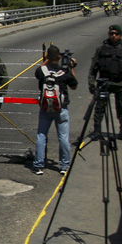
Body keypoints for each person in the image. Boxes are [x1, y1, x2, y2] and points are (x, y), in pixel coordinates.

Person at [88, 24, 122, 142]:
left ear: (120, 35)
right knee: (99, 109)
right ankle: (97, 131)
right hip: (104, 83)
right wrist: (91, 83)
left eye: (116, 34)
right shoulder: (101, 48)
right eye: (111, 34)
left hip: (121, 84)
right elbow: (94, 67)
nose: (113, 36)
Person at [32, 46, 79, 176]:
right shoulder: (63, 73)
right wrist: (72, 67)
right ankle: (64, 165)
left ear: (47, 57)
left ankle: (39, 165)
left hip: (45, 108)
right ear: (59, 57)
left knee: (41, 136)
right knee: (63, 138)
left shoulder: (41, 71)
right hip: (61, 108)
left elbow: (39, 70)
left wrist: (46, 60)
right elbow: (74, 85)